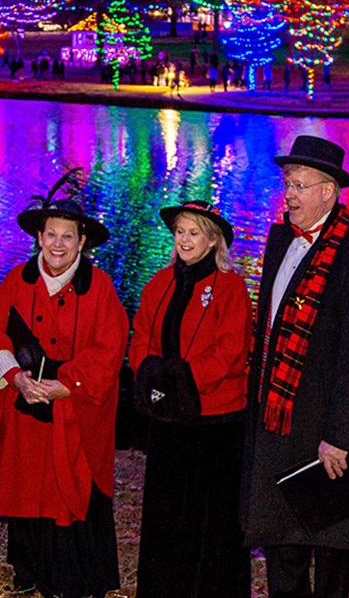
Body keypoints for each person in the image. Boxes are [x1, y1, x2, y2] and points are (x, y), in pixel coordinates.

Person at [241, 135, 349, 598]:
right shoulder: (280, 237)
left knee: (329, 554)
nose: (289, 194)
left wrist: (342, 437)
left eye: (301, 185)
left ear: (329, 191)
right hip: (279, 418)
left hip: (326, 429)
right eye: (288, 183)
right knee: (282, 542)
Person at [0, 180, 128, 598]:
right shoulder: (16, 282)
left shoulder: (100, 289)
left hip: (71, 409)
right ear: (39, 237)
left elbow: (110, 347)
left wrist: (66, 385)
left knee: (68, 490)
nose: (58, 245)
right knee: (28, 487)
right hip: (26, 405)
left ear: (82, 242)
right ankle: (28, 572)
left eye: (67, 236)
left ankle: (71, 578)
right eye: (51, 235)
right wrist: (16, 378)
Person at [130, 201, 253, 598]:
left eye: (193, 232)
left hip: (215, 419)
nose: (184, 239)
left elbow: (231, 352)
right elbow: (141, 338)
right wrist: (152, 378)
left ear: (212, 239)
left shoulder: (231, 287)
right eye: (180, 231)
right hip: (167, 416)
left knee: (211, 517)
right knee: (166, 512)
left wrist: (181, 379)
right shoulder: (159, 283)